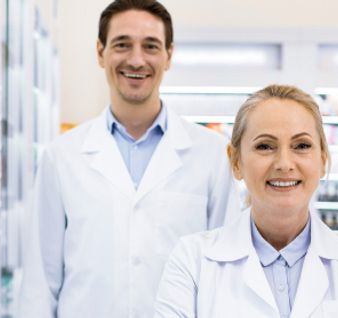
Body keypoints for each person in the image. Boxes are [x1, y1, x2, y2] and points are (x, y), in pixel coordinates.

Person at [17, 0, 241, 316]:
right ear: (100, 52)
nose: (136, 60)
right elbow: (40, 284)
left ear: (168, 56)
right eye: (123, 45)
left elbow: (226, 273)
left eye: (150, 46)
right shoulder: (61, 157)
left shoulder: (211, 154)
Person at [154, 84, 338, 317]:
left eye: (302, 146)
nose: (284, 163)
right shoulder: (192, 261)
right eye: (265, 146)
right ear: (236, 162)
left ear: (322, 159)